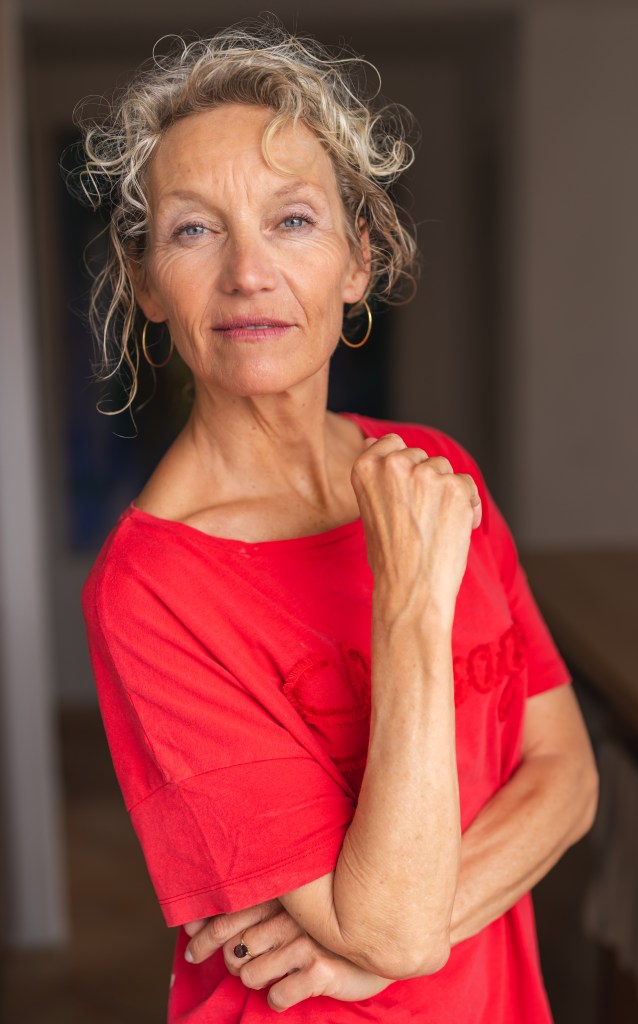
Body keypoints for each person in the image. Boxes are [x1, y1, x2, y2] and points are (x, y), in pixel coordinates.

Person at [76, 21, 598, 1023]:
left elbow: (567, 777)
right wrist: (407, 600)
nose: (246, 273)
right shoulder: (150, 592)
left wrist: (380, 942)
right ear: (145, 282)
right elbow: (394, 930)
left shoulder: (434, 473)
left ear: (360, 262)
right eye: (194, 229)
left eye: (293, 221)